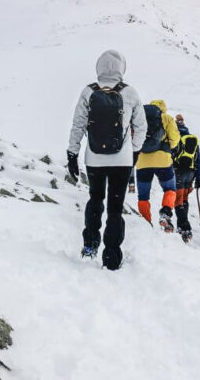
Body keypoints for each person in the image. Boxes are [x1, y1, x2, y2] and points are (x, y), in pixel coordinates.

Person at [67, 50, 146, 270]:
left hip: (94, 159)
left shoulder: (88, 91)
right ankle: (111, 257)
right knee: (115, 207)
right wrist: (134, 152)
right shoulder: (130, 93)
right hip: (122, 161)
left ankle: (90, 245)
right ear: (122, 68)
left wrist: (72, 153)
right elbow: (141, 127)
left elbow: (78, 125)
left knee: (95, 200)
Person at [134, 100, 181, 233]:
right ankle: (166, 212)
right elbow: (175, 139)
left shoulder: (140, 117)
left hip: (142, 161)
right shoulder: (166, 118)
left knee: (143, 196)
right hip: (162, 160)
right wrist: (166, 147)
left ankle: (145, 222)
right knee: (170, 188)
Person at [172, 114, 200, 242]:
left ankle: (185, 228)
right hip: (191, 173)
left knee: (177, 200)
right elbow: (198, 160)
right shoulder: (192, 139)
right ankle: (182, 226)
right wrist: (198, 178)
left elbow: (172, 155)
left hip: (178, 171)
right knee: (184, 199)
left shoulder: (176, 137)